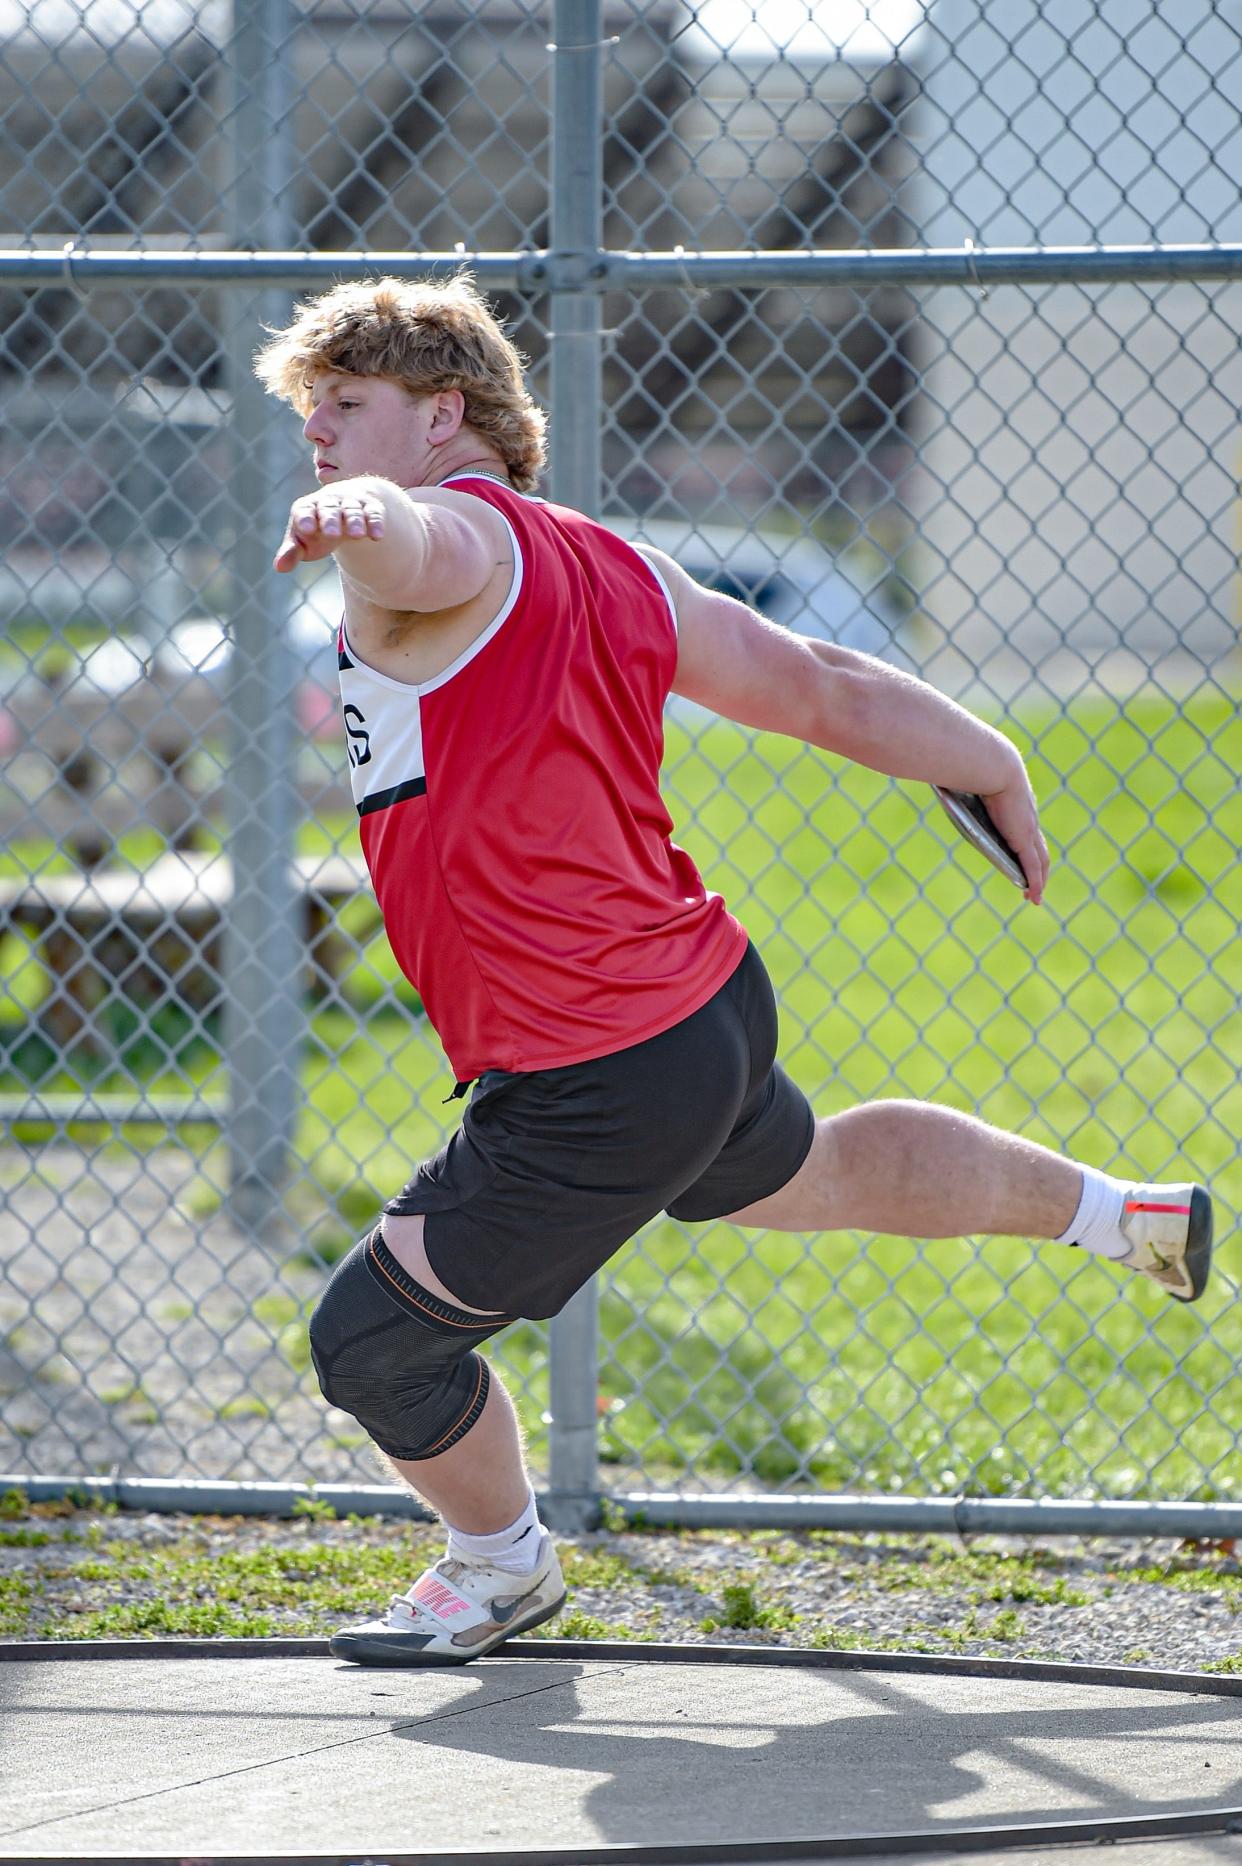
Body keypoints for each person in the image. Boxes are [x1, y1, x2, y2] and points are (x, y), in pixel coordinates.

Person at [256, 274, 1214, 1668]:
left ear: (441, 412)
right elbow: (816, 677)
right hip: (696, 1009)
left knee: (371, 1345)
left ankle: (498, 1564)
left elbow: (420, 544)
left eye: (345, 408)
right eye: (312, 420)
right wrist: (985, 754)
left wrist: (368, 520)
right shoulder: (617, 563)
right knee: (812, 1174)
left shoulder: (435, 535)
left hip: (596, 1069)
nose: (320, 441)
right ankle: (1117, 1212)